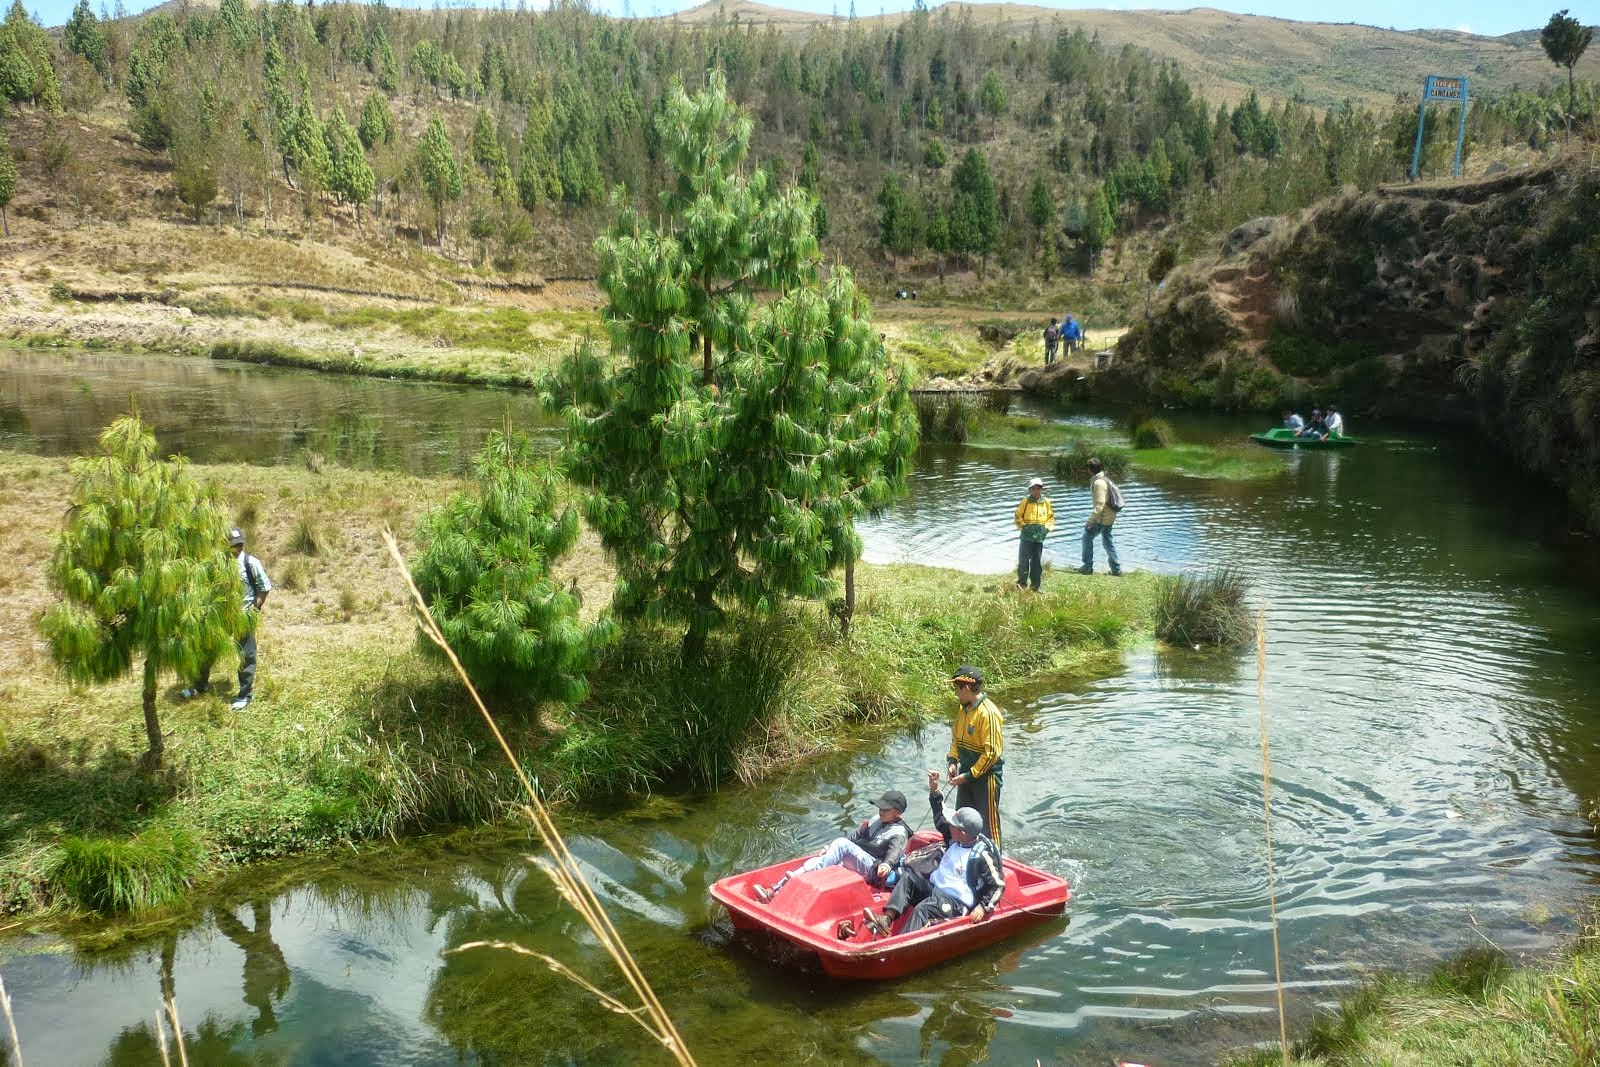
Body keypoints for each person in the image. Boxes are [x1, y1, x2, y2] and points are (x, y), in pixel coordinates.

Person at [861, 773, 1005, 937]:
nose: (949, 826)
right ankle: (886, 920)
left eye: (954, 825)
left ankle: (903, 943)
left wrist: (983, 907)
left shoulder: (981, 855)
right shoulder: (954, 839)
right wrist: (934, 790)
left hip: (955, 902)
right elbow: (939, 817)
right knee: (907, 878)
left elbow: (997, 885)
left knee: (923, 909)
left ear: (963, 832)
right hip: (935, 889)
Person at [752, 789, 911, 902]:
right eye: (880, 807)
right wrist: (829, 847)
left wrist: (886, 865)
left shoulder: (899, 832)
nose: (881, 811)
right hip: (856, 860)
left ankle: (802, 881)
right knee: (815, 861)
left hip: (873, 869)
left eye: (886, 809)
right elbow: (855, 837)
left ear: (897, 812)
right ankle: (775, 892)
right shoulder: (877, 819)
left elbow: (894, 853)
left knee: (841, 845)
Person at [182, 527, 271, 711]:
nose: (235, 548)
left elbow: (264, 586)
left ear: (242, 544)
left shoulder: (250, 563)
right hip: (219, 616)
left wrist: (255, 608)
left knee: (245, 655)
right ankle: (199, 686)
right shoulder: (218, 564)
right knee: (207, 650)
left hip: (243, 616)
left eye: (238, 544)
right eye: (232, 545)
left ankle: (245, 695)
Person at [945, 665, 1004, 849]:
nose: (956, 693)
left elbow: (992, 753)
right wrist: (953, 761)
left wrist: (969, 775)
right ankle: (963, 855)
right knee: (961, 819)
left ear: (967, 688)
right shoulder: (963, 709)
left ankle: (995, 857)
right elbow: (956, 737)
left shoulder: (989, 713)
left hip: (986, 778)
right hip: (965, 775)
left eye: (957, 688)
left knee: (988, 824)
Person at [1079, 458, 1121, 576]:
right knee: (1107, 541)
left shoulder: (1098, 483)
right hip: (1110, 517)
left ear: (1090, 470)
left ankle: (1087, 566)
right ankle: (1116, 569)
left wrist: (1090, 520)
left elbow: (1100, 504)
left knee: (1087, 537)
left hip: (1102, 518)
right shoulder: (1104, 479)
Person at [1013, 477, 1054, 592]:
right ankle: (1021, 584)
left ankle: (1036, 586)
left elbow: (1051, 518)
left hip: (1039, 536)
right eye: (1033, 489)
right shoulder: (1025, 502)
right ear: (1029, 490)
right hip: (1026, 536)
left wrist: (1046, 530)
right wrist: (1024, 527)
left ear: (1042, 489)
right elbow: (1017, 516)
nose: (1036, 491)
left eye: (1038, 488)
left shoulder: (1046, 502)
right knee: (1023, 560)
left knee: (1037, 562)